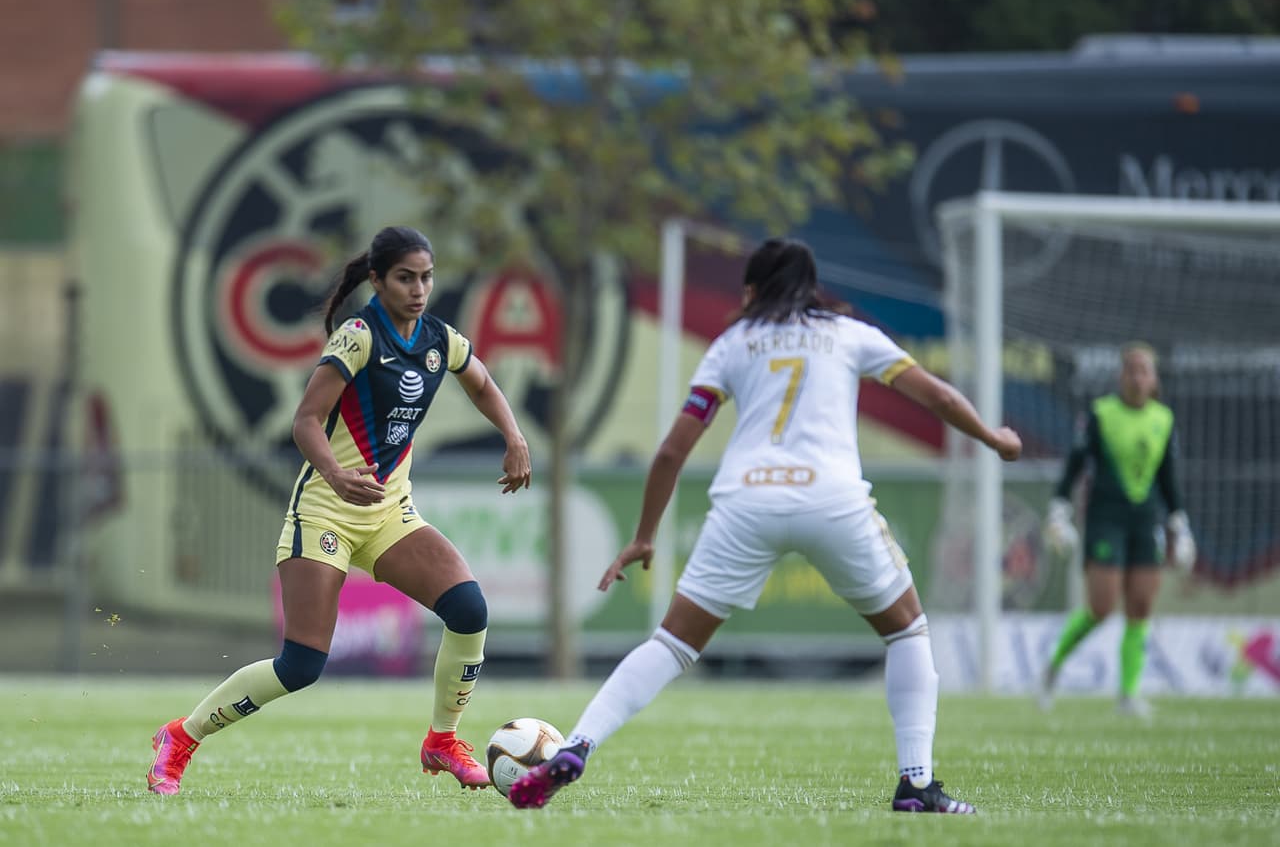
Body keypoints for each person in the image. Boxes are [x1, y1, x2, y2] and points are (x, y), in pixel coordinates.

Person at [508, 237, 1022, 813]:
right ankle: (917, 784)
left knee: (672, 645)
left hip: (746, 503)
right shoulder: (850, 334)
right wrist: (992, 437)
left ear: (751, 291)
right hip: (833, 500)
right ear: (812, 287)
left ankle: (577, 745)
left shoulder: (734, 343)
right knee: (906, 632)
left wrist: (645, 535)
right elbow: (941, 397)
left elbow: (672, 451)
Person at [147, 226, 532, 794]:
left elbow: (481, 383)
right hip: (326, 511)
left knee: (469, 609)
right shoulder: (358, 338)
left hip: (388, 512)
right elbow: (305, 420)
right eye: (405, 278)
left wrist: (514, 437)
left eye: (426, 277)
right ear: (377, 280)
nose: (418, 289)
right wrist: (334, 474)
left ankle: (442, 740)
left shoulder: (440, 340)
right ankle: (181, 736)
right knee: (301, 665)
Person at [1039, 342, 1195, 718]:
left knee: (1140, 606)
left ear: (1154, 379)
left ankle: (1128, 696)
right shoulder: (1101, 414)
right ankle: (1052, 667)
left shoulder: (1163, 419)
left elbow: (1167, 477)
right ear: (1121, 377)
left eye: (1145, 371)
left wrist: (1179, 523)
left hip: (1145, 521)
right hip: (1105, 519)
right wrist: (1059, 511)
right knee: (1102, 606)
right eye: (1131, 370)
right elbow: (1075, 465)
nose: (1138, 378)